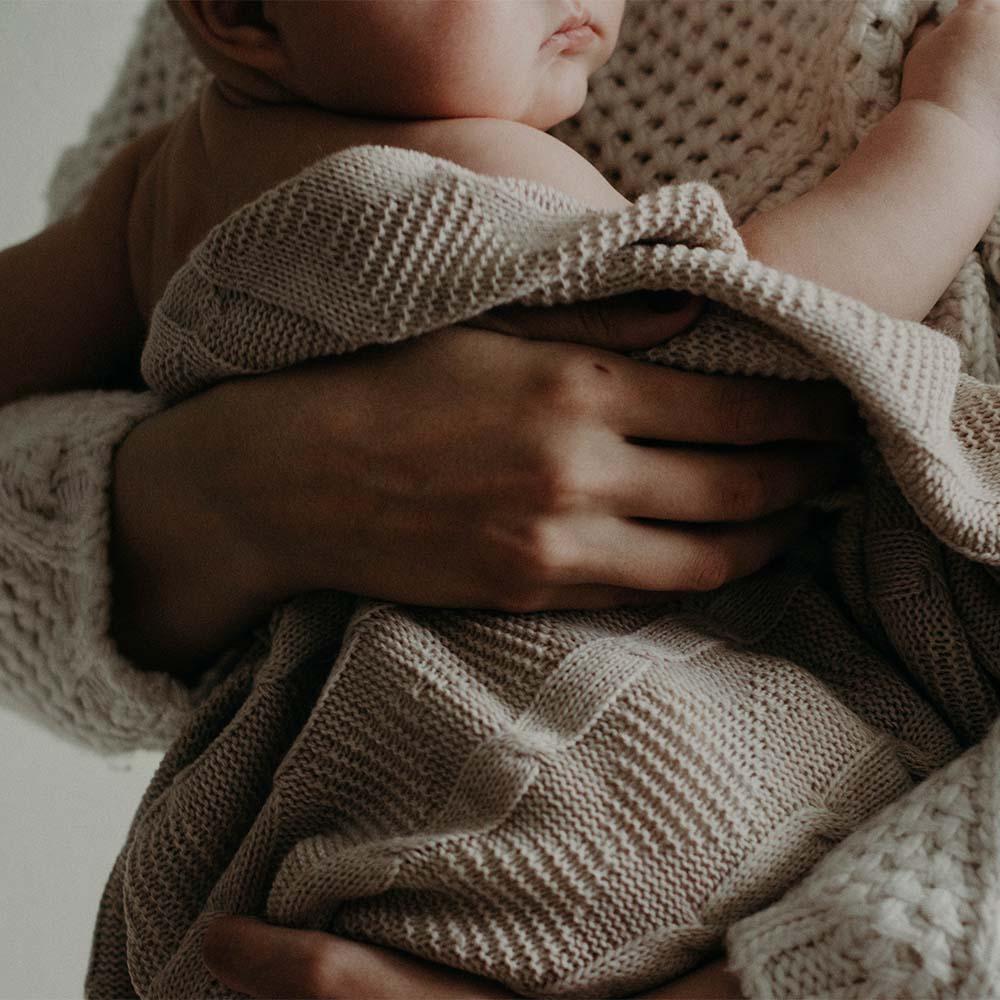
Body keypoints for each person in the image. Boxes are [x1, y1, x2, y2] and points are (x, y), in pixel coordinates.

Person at [7, 1, 997, 997]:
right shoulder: (469, 170)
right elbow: (765, 337)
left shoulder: (150, 188)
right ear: (238, 15)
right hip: (566, 769)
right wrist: (949, 138)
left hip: (291, 802)